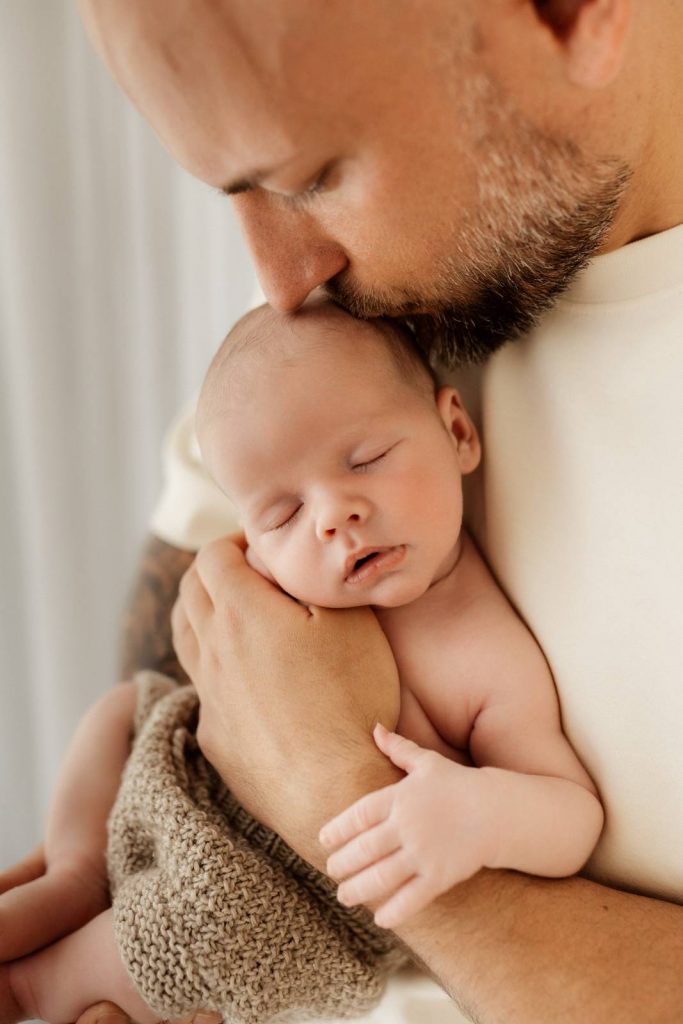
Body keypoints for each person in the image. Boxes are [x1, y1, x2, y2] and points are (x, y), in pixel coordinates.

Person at [3, 1, 681, 1021]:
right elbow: (173, 645)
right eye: (238, 193)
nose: (279, 283)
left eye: (311, 176)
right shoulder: (352, 344)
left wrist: (330, 786)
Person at [0, 299, 604, 1023]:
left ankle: (32, 988)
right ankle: (76, 869)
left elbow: (571, 816)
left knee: (190, 936)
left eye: (366, 460)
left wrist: (473, 813)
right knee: (123, 708)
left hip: (271, 887)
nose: (330, 516)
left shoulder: (480, 654)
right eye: (281, 514)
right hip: (185, 768)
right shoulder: (283, 580)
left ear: (456, 431)